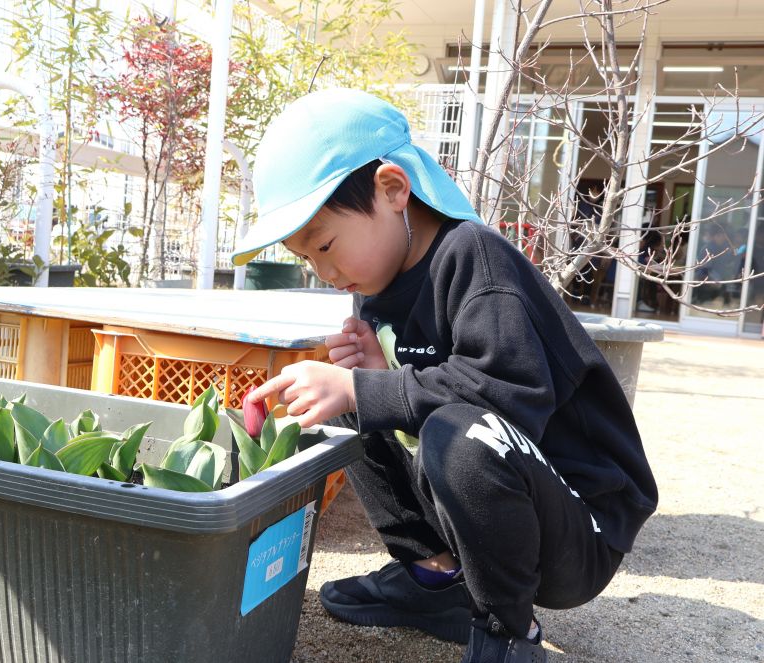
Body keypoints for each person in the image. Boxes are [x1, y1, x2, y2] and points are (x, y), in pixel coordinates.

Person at [232, 89, 657, 663]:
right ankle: (434, 580)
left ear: (392, 190)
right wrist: (375, 377)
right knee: (363, 403)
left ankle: (507, 631)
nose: (324, 271)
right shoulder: (378, 289)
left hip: (577, 525)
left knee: (449, 432)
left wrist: (371, 386)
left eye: (326, 245)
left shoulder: (477, 260)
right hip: (489, 497)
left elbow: (507, 397)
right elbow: (420, 396)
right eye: (308, 258)